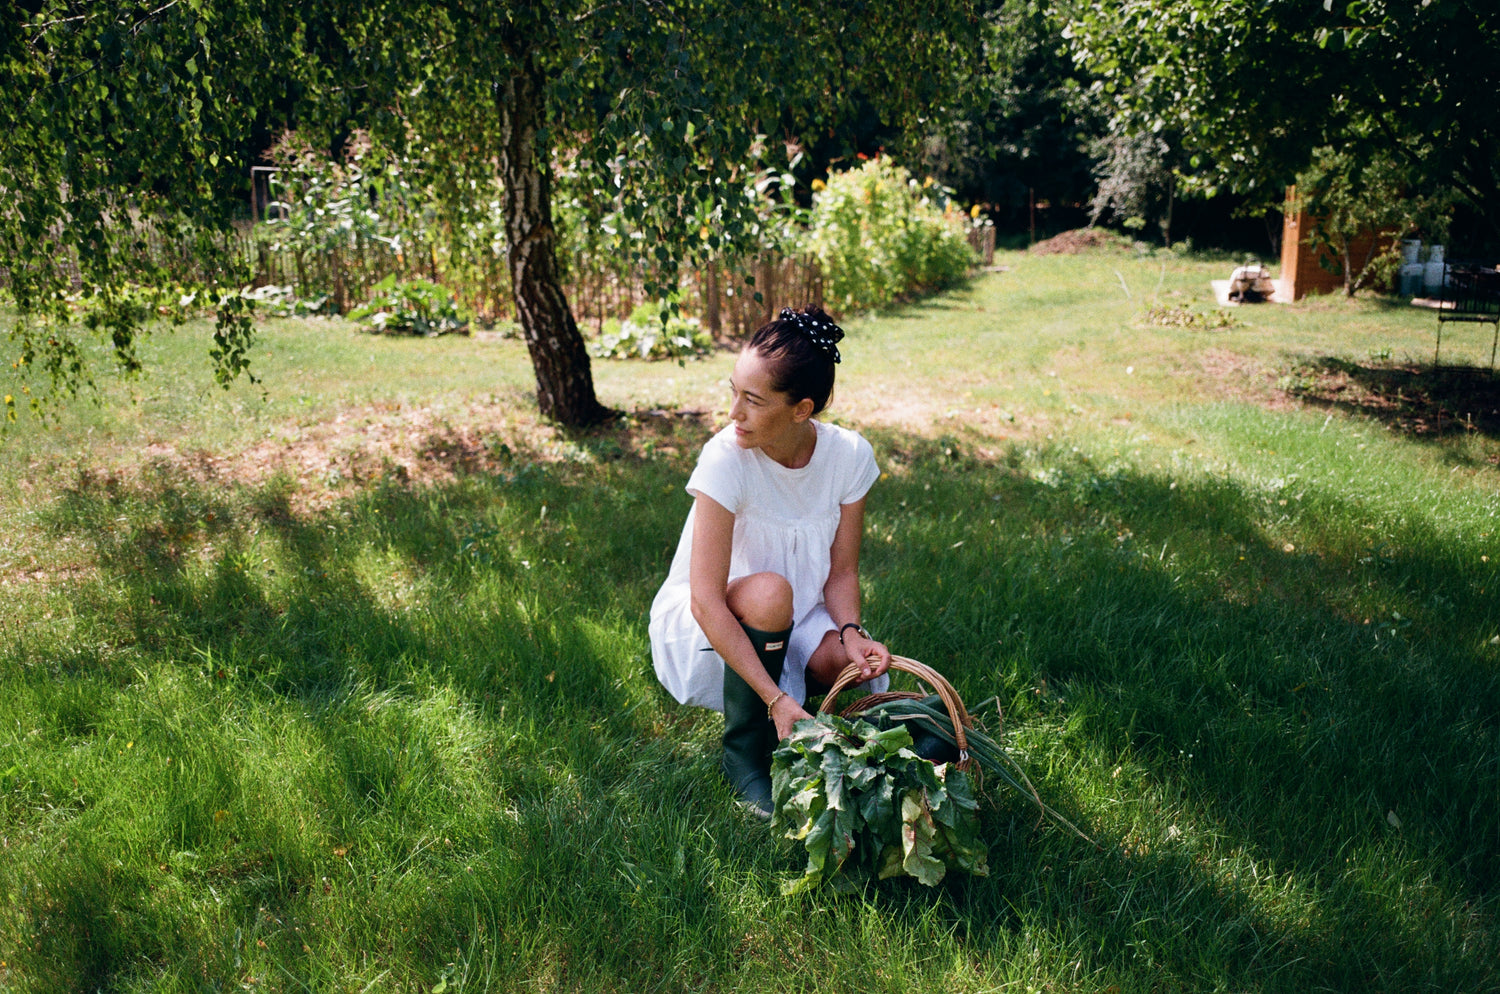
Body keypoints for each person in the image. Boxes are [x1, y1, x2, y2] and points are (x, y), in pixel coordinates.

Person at [649, 305, 892, 818]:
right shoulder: (725, 458)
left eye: (752, 400)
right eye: (732, 391)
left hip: (801, 611)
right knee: (770, 592)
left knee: (843, 666)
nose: (733, 412)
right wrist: (773, 697)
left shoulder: (848, 456)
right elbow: (705, 599)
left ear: (802, 409)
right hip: (718, 616)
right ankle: (744, 754)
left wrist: (851, 633)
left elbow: (842, 572)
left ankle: (819, 732)